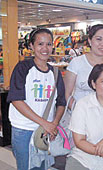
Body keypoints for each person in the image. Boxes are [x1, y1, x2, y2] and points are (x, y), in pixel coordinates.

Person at [7, 28, 66, 170]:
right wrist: (45, 123)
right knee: (26, 166)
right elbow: (16, 100)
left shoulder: (55, 73)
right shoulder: (23, 68)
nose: (45, 48)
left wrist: (54, 124)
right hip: (24, 130)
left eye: (49, 44)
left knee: (42, 166)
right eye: (40, 44)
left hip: (45, 131)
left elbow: (61, 102)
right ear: (32, 46)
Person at [64, 24, 103, 111]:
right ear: (90, 41)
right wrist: (78, 111)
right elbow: (67, 94)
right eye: (98, 39)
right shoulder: (76, 63)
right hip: (80, 115)